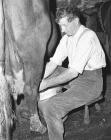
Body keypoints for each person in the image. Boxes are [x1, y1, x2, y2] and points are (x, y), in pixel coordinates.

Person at [38, 5, 106, 140]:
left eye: (64, 25)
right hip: (77, 76)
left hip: (92, 83)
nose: (62, 30)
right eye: (60, 26)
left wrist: (45, 84)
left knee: (51, 107)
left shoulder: (88, 37)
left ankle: (54, 113)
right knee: (50, 71)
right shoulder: (67, 38)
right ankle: (55, 114)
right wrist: (38, 80)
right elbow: (54, 63)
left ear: (75, 20)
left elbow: (72, 73)